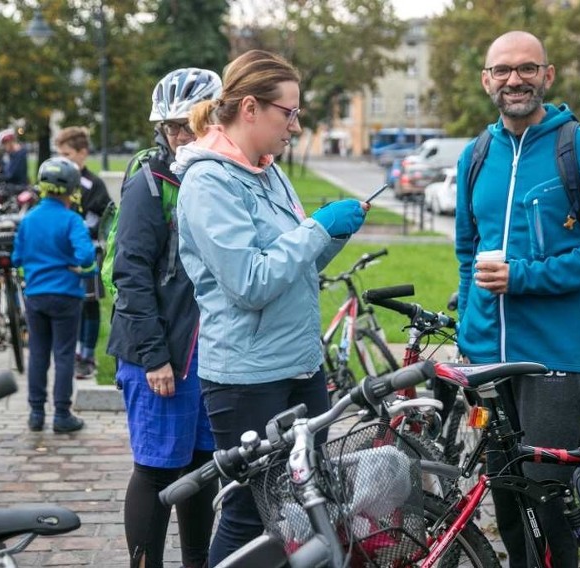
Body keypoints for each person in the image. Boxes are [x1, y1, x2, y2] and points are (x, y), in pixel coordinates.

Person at [172, 49, 368, 564]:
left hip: (298, 363)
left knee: (308, 503)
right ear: (252, 109)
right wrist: (317, 227)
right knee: (249, 512)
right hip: (247, 377)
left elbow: (293, 265)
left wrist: (332, 234)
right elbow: (251, 282)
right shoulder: (207, 181)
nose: (296, 126)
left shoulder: (267, 170)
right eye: (290, 113)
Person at [454, 31, 580, 568]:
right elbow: (467, 254)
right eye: (503, 70)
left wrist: (524, 276)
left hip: (553, 359)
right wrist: (468, 336)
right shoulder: (476, 154)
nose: (515, 79)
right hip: (488, 362)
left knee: (548, 499)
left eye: (527, 68)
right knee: (507, 500)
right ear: (488, 80)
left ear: (548, 76)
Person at [106, 68, 223, 568]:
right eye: (173, 126)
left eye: (192, 123)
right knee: (156, 470)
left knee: (201, 467)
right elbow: (130, 276)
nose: (182, 136)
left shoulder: (217, 177)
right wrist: (155, 357)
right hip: (158, 353)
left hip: (206, 354)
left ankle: (197, 561)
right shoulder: (149, 184)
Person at [12, 157, 95, 433]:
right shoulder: (72, 219)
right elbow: (85, 256)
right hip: (66, 296)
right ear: (71, 190)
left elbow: (17, 257)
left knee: (37, 354)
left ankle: (36, 414)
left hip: (35, 296)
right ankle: (61, 415)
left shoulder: (29, 218)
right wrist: (79, 269)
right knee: (63, 355)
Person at [53, 126, 112, 380]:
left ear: (82, 153)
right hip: (65, 256)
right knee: (72, 305)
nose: (62, 159)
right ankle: (74, 352)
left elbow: (106, 217)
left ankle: (87, 356)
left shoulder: (93, 184)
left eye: (67, 154)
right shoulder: (58, 183)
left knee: (89, 305)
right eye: (59, 154)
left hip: (89, 253)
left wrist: (86, 232)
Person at [0, 128, 29, 201]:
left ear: (10, 142)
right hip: (11, 187)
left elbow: (12, 174)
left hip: (18, 188)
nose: (4, 147)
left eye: (4, 144)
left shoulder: (19, 154)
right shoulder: (10, 155)